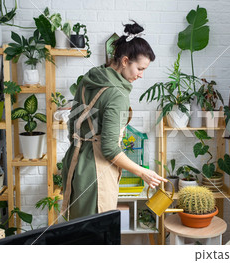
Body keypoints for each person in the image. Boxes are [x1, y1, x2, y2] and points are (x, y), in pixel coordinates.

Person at [61, 21, 167, 219]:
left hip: (76, 166)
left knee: (78, 233)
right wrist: (142, 172)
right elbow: (109, 148)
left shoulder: (89, 78)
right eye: (140, 69)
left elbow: (72, 123)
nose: (141, 75)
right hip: (96, 174)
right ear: (125, 61)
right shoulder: (117, 94)